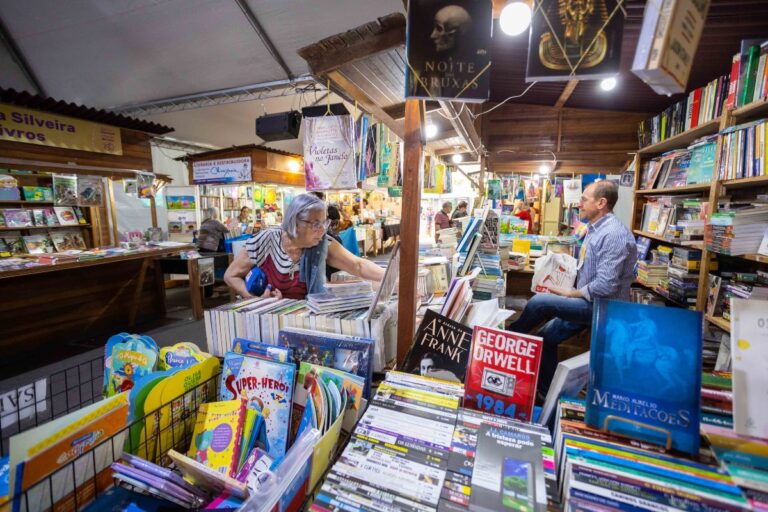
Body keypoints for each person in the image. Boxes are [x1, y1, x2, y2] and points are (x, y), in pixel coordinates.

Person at [508, 181, 637, 394]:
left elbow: (606, 285)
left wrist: (571, 293)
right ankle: (548, 393)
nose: (579, 204)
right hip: (587, 301)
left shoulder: (613, 234)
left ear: (601, 203)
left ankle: (507, 338)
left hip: (603, 308)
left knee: (539, 303)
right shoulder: (594, 229)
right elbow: (590, 268)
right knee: (544, 337)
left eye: (584, 199)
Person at [224, 193, 385, 299]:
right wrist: (254, 299)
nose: (322, 230)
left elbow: (358, 265)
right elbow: (231, 275)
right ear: (295, 222)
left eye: (324, 223)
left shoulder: (322, 243)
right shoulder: (267, 239)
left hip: (306, 320)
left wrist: (391, 278)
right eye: (315, 224)